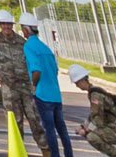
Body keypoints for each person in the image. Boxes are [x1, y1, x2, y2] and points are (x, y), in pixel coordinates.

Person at [24, 24, 73, 157]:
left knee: (49, 130)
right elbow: (55, 70)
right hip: (55, 94)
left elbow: (36, 70)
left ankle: (55, 155)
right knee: (62, 130)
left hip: (42, 94)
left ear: (25, 30)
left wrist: (33, 86)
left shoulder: (28, 46)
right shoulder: (45, 48)